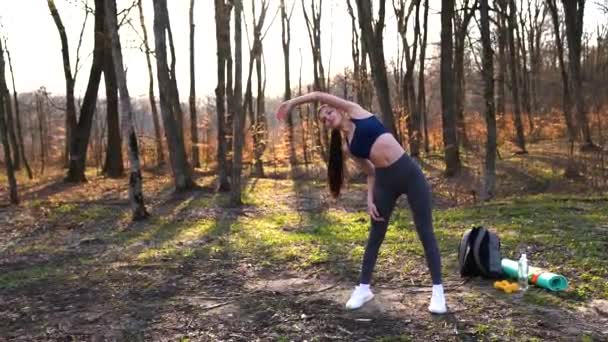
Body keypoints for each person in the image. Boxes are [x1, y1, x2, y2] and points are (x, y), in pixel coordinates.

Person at [276, 91, 447, 314]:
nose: (327, 117)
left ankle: (438, 292)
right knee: (375, 236)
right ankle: (363, 288)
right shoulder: (349, 146)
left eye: (328, 112)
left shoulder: (357, 112)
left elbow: (317, 94)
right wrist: (370, 200)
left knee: (425, 232)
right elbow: (370, 172)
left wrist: (292, 103)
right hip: (385, 183)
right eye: (323, 119)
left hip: (410, 175)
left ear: (337, 108)